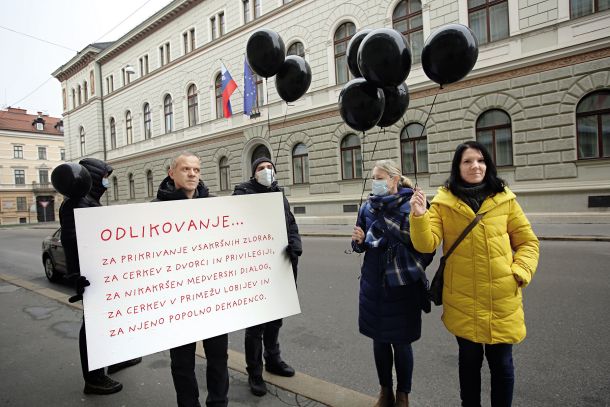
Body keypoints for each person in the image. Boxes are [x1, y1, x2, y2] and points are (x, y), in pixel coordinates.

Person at [409, 141, 539, 407]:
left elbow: (528, 242)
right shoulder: (444, 202)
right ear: (458, 167)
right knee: (469, 363)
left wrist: (519, 271)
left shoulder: (505, 199)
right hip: (463, 299)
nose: (475, 166)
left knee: (502, 364)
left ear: (488, 164)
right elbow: (426, 243)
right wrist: (420, 215)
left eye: (480, 160)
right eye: (467, 161)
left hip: (501, 297)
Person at [351, 160, 433, 407]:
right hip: (374, 283)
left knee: (402, 342)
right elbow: (359, 243)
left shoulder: (414, 205)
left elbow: (427, 247)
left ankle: (402, 395)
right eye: (373, 177)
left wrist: (406, 266)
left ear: (395, 180)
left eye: (380, 177)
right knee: (380, 341)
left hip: (402, 285)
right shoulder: (368, 207)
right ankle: (385, 391)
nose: (375, 181)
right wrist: (358, 242)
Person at [59, 157, 142, 395]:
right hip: (91, 277)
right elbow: (72, 241)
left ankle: (115, 359)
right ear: (94, 178)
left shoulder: (88, 201)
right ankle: (94, 378)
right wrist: (76, 274)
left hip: (102, 274)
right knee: (94, 326)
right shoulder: (78, 203)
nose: (107, 181)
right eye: (105, 177)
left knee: (110, 321)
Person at [152, 152, 229, 407]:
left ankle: (218, 402)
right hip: (177, 301)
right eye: (186, 169)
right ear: (172, 173)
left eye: (196, 169)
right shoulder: (154, 211)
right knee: (182, 363)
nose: (192, 174)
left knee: (218, 358)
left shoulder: (214, 206)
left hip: (212, 297)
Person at [233, 157, 302, 397]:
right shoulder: (243, 193)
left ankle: (273, 360)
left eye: (269, 168)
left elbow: (290, 223)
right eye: (261, 168)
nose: (266, 171)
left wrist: (295, 244)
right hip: (255, 268)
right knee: (256, 324)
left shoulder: (278, 193)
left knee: (275, 319)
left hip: (281, 264)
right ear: (254, 173)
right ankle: (255, 373)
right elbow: (237, 227)